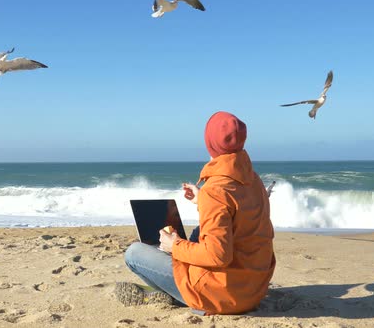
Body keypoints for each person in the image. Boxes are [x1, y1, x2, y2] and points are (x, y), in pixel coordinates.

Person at [118, 111, 276, 315]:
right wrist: (202, 200)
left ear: (209, 143)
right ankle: (177, 283)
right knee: (200, 231)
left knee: (134, 253)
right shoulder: (254, 180)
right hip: (254, 288)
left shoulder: (216, 191)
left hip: (225, 296)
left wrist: (174, 246)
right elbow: (238, 217)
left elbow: (218, 256)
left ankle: (180, 296)